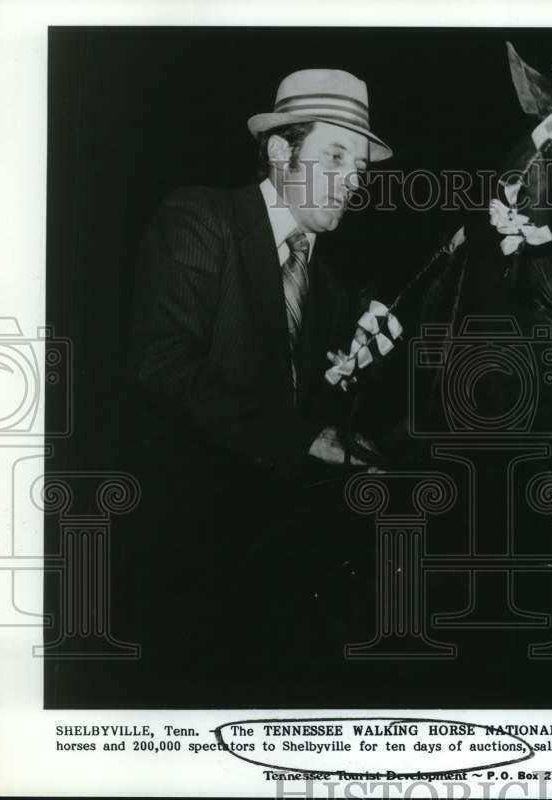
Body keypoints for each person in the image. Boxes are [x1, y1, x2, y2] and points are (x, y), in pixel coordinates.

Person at [128, 70, 395, 684]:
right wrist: (305, 440)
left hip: (275, 568)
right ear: (280, 153)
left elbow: (310, 406)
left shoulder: (329, 286)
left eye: (360, 166)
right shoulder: (201, 217)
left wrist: (358, 371)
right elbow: (163, 364)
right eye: (336, 155)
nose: (354, 180)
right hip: (183, 556)